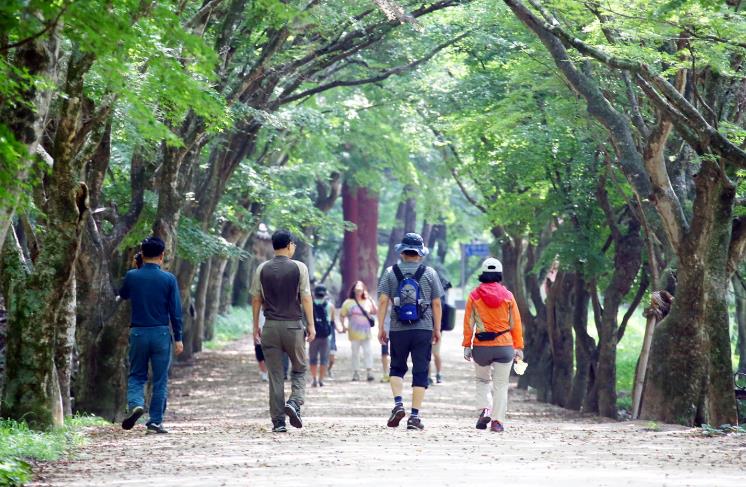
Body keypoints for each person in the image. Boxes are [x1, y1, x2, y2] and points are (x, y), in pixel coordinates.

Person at [251, 230, 315, 433]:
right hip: (293, 326)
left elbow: (256, 299)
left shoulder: (262, 268)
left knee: (275, 376)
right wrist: (311, 324)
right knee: (300, 368)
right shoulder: (299, 268)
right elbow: (305, 297)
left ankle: (278, 422)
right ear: (289, 245)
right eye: (293, 244)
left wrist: (255, 326)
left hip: (269, 326)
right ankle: (295, 402)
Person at [377, 233, 443, 431]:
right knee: (421, 370)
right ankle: (414, 417)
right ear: (420, 253)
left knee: (396, 368)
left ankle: (398, 403)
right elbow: (437, 303)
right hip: (423, 329)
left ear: (402, 252)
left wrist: (382, 326)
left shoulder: (391, 272)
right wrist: (437, 328)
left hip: (398, 329)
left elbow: (382, 300)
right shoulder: (429, 273)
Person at [119, 236, 183, 434]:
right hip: (161, 333)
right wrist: (178, 338)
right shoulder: (169, 279)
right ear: (162, 255)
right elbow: (176, 312)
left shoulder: (132, 276)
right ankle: (155, 421)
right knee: (160, 378)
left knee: (137, 374)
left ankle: (136, 403)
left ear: (142, 253)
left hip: (138, 332)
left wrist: (136, 268)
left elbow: (123, 294)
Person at [462, 257, 524, 433]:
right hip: (504, 347)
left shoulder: (474, 295)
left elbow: (468, 322)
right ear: (499, 274)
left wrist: (467, 345)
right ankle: (497, 422)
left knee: (482, 380)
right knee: (501, 384)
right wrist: (518, 346)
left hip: (482, 347)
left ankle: (485, 409)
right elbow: (516, 323)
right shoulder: (508, 296)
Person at [340, 281, 378, 382]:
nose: (359, 291)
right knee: (355, 353)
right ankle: (356, 372)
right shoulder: (348, 302)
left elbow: (375, 311)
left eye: (361, 289)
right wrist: (343, 326)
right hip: (354, 332)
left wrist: (370, 299)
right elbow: (342, 315)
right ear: (353, 290)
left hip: (366, 332)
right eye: (357, 289)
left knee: (368, 352)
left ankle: (369, 372)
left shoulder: (367, 301)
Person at [309, 284, 336, 387]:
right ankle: (321, 380)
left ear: (314, 294)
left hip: (313, 335)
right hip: (326, 336)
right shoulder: (330, 306)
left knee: (313, 358)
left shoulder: (310, 305)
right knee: (324, 359)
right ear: (325, 294)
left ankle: (314, 379)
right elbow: (332, 321)